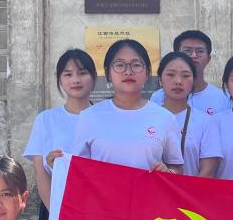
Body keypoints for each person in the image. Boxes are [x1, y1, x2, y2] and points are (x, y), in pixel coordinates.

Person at [69, 39, 183, 172]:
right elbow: (77, 169)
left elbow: (177, 167)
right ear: (108, 73)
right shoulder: (89, 117)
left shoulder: (165, 118)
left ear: (147, 73)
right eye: (120, 65)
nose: (128, 71)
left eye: (136, 65)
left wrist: (169, 172)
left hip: (148, 187)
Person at [23, 48, 94, 220]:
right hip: (56, 208)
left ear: (93, 77)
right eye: (68, 74)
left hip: (97, 210)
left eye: (82, 73)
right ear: (60, 80)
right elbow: (41, 173)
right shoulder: (46, 120)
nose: (75, 80)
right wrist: (59, 215)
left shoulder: (104, 118)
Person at [155, 50, 221, 178]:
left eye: (185, 76)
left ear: (193, 80)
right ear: (160, 79)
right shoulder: (148, 117)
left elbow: (208, 171)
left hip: (191, 190)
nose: (178, 81)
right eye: (170, 74)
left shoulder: (205, 122)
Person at [150, 29, 229, 117]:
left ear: (208, 59)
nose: (193, 55)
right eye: (187, 50)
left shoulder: (223, 98)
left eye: (200, 51)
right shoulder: (158, 97)